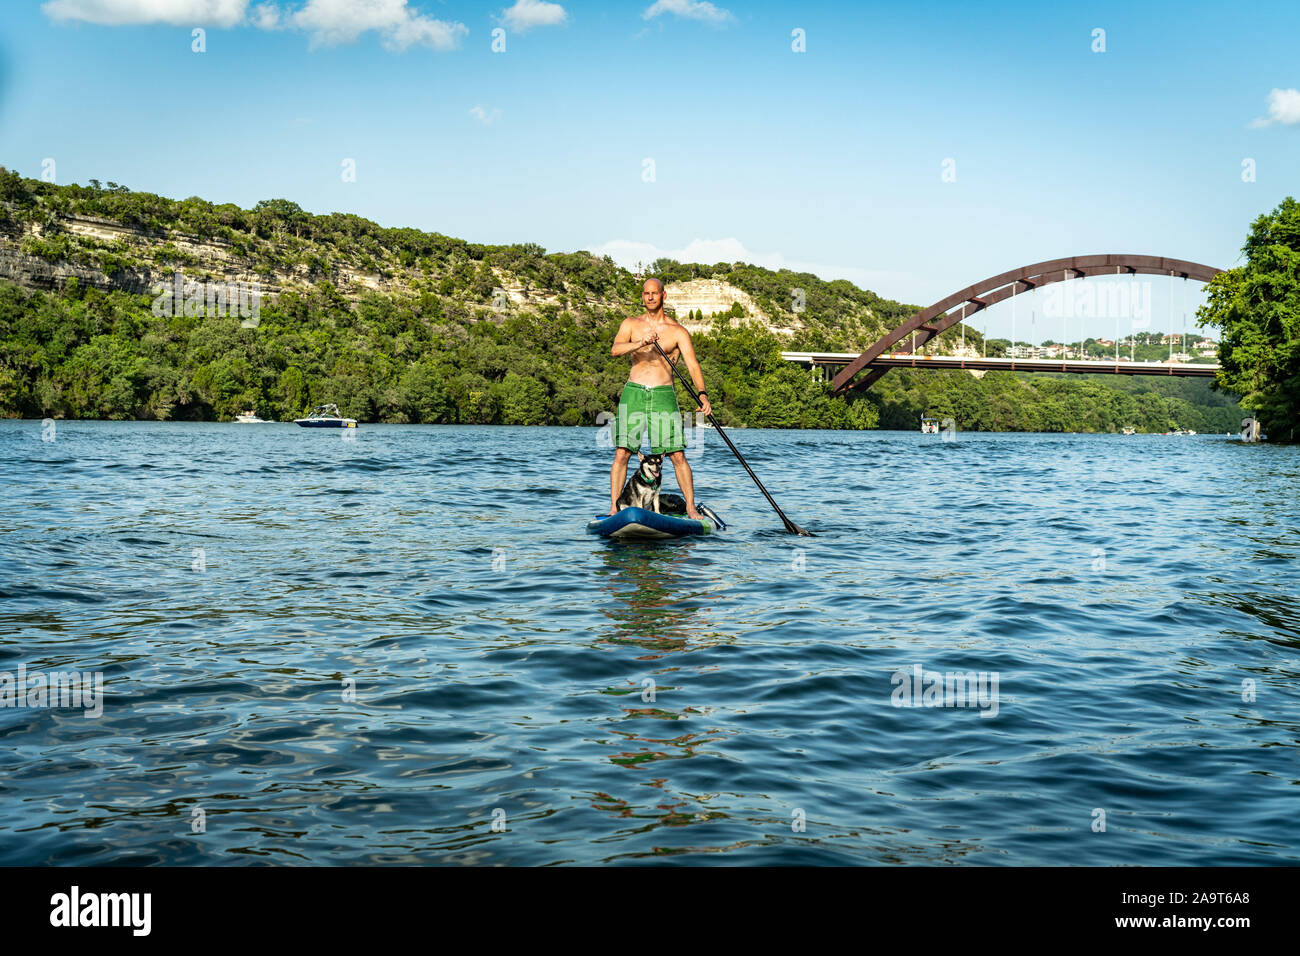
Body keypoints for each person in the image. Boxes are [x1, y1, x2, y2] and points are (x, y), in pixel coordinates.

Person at [608, 278, 712, 518]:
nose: (651, 297)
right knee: (622, 452)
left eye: (655, 293)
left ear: (663, 296)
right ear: (642, 297)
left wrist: (702, 395)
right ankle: (615, 507)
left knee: (676, 454)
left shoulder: (677, 331)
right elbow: (615, 350)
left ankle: (690, 508)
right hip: (634, 391)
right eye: (646, 293)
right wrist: (640, 342)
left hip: (663, 395)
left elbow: (693, 366)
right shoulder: (631, 324)